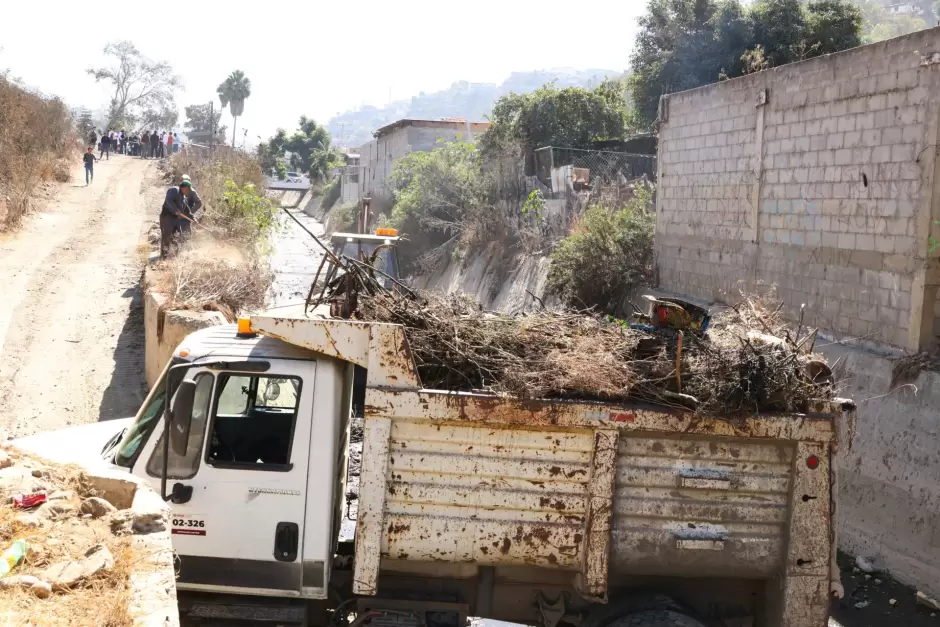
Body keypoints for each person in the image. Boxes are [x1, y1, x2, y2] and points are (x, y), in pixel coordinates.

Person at [160, 180, 195, 258]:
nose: (189, 192)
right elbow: (168, 200)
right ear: (185, 188)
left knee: (177, 236)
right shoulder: (174, 190)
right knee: (167, 235)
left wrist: (193, 219)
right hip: (167, 216)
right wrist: (175, 209)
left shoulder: (184, 198)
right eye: (188, 189)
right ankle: (163, 256)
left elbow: (187, 211)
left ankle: (174, 256)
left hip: (176, 219)